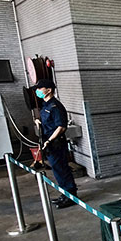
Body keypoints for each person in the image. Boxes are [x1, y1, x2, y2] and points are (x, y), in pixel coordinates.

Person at [33, 79, 78, 209]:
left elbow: (61, 127)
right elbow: (47, 122)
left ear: (49, 90)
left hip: (55, 143)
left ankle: (71, 196)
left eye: (40, 89)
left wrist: (49, 140)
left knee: (62, 169)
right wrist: (38, 121)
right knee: (57, 170)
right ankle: (64, 194)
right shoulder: (45, 105)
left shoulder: (55, 106)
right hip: (48, 143)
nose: (38, 91)